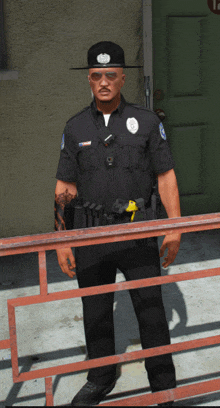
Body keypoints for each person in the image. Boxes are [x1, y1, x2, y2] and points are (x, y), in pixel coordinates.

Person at [54, 41, 181, 406]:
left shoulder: (146, 121)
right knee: (95, 311)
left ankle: (162, 383)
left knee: (151, 308)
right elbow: (65, 186)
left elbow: (166, 176)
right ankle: (101, 376)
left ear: (123, 77)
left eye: (111, 75)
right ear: (90, 80)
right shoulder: (75, 127)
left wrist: (173, 226)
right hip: (90, 233)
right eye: (97, 76)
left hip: (137, 230)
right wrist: (63, 239)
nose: (104, 82)